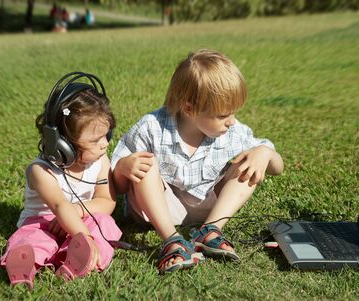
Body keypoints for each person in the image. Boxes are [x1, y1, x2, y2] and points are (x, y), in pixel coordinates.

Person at [111, 49, 284, 274]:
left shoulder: (232, 131)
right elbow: (118, 185)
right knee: (145, 164)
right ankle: (171, 241)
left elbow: (277, 168)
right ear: (189, 108)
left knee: (247, 166)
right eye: (223, 115)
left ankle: (210, 231)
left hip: (209, 207)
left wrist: (265, 153)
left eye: (233, 113)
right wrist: (124, 167)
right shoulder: (152, 127)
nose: (231, 122)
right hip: (160, 208)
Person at [0, 72, 122, 288]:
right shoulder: (41, 171)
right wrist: (84, 236)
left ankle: (76, 259)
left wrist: (79, 212)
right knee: (33, 239)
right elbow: (58, 205)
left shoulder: (100, 161)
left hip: (81, 219)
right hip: (44, 223)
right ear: (62, 144)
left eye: (106, 135)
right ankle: (23, 264)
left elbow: (107, 202)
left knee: (104, 223)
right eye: (95, 140)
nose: (105, 144)